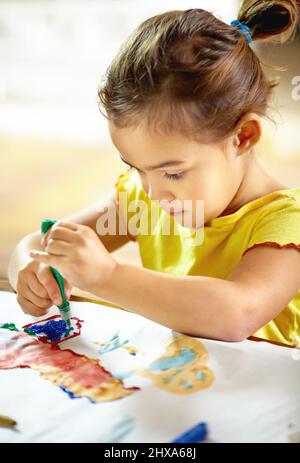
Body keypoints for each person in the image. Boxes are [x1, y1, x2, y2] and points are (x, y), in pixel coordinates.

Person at [8, 1, 300, 346]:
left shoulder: (286, 225)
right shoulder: (143, 200)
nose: (153, 193)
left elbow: (235, 314)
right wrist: (29, 269)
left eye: (172, 173)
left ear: (243, 136)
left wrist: (108, 275)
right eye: (136, 168)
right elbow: (39, 244)